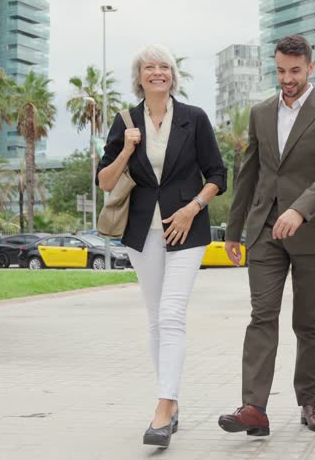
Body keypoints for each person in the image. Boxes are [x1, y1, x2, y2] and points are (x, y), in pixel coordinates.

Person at [217, 35, 315, 436]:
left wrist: (300, 209)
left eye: (294, 71)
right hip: (263, 232)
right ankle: (253, 408)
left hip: (310, 232)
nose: (287, 78)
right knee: (262, 317)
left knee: (309, 323)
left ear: (310, 67)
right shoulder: (260, 113)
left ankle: (310, 403)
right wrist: (235, 231)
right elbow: (249, 174)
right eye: (280, 70)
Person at [96, 44, 227, 448]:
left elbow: (218, 174)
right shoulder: (126, 121)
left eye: (164, 67)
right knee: (156, 317)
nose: (158, 72)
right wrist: (128, 149)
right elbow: (105, 180)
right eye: (149, 67)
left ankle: (164, 405)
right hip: (141, 231)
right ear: (139, 76)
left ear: (173, 76)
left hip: (185, 228)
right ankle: (171, 401)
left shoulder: (194, 118)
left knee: (171, 313)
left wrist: (192, 208)